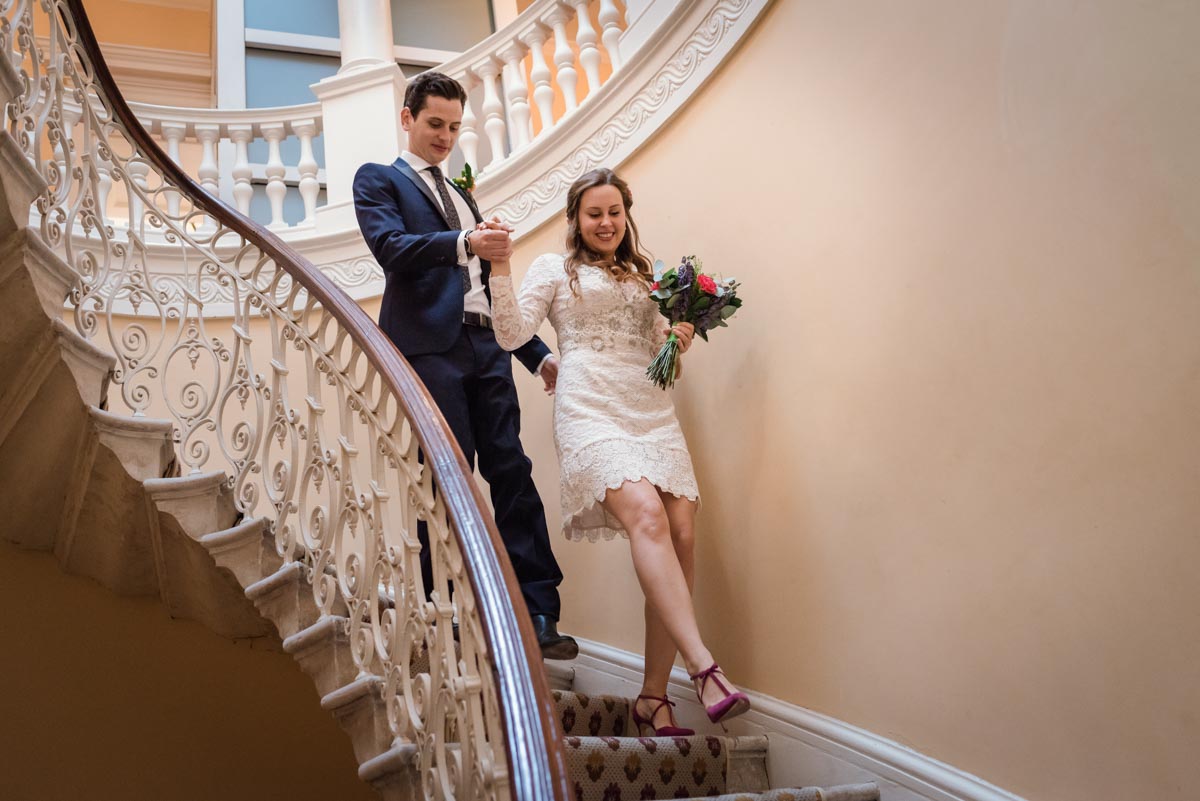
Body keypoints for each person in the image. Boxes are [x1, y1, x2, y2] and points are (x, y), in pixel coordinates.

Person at [486, 167, 751, 732]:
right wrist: (500, 268)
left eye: (614, 212)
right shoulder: (552, 269)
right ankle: (703, 667)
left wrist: (677, 339)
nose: (605, 222)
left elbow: (662, 358)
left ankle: (653, 698)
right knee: (648, 517)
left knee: (681, 537)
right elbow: (510, 334)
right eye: (593, 213)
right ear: (575, 220)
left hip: (650, 411)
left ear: (625, 215)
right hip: (589, 408)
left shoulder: (645, 278)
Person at [351, 71, 577, 660]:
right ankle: (444, 609)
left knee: (513, 471)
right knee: (445, 478)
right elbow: (391, 249)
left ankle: (538, 611)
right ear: (407, 118)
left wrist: (536, 355)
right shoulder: (379, 180)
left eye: (454, 126)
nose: (446, 136)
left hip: (490, 351)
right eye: (435, 124)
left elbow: (482, 286)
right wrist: (463, 242)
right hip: (430, 350)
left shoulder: (463, 195)